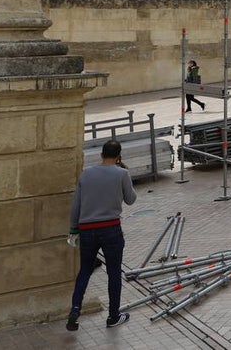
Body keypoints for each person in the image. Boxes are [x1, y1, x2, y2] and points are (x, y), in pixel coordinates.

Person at [66, 139, 137, 331]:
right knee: (114, 272)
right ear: (118, 156)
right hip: (110, 228)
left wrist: (74, 230)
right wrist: (123, 173)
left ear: (101, 155)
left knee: (85, 271)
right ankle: (113, 316)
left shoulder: (87, 173)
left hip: (87, 230)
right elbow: (131, 199)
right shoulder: (122, 173)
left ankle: (74, 309)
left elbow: (76, 205)